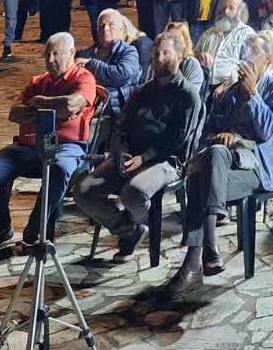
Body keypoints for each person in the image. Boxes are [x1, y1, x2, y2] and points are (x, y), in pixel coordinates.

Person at [169, 29, 273, 293]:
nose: (246, 57)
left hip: (260, 168)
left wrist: (253, 96)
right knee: (213, 156)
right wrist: (221, 134)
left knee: (199, 180)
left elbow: (268, 132)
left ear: (268, 59)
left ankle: (195, 262)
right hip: (227, 165)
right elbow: (209, 128)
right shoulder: (231, 92)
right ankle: (207, 251)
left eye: (253, 52)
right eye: (243, 52)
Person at [74, 28, 201, 259]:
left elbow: (177, 139)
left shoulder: (188, 95)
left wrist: (144, 158)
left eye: (166, 53)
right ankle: (130, 229)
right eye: (156, 54)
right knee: (84, 191)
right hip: (131, 155)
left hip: (166, 160)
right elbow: (121, 127)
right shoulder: (142, 92)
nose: (159, 59)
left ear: (179, 56)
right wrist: (122, 153)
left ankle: (140, 221)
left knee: (133, 192)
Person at [0, 32, 100, 255]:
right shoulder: (38, 82)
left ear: (72, 53)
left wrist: (38, 104)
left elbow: (71, 105)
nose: (50, 60)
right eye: (47, 55)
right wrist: (52, 109)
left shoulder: (84, 78)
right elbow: (14, 114)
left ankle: (36, 234)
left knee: (58, 171)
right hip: (29, 146)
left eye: (56, 54)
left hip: (66, 146)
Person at [77, 8, 145, 117]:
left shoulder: (129, 51)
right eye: (101, 26)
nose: (106, 29)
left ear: (121, 30)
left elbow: (121, 75)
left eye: (111, 25)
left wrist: (91, 64)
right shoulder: (85, 53)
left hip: (118, 114)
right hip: (88, 111)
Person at [194, 0, 257, 86]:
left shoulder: (248, 34)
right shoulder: (208, 33)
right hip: (204, 83)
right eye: (224, 7)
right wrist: (200, 56)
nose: (226, 11)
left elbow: (251, 65)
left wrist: (227, 84)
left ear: (239, 11)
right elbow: (193, 55)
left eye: (231, 8)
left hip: (232, 87)